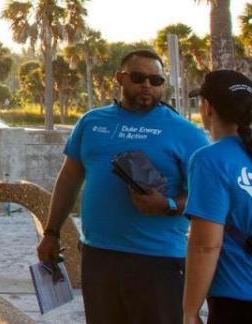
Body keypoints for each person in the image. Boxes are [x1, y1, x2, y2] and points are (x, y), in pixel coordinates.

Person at [36, 50, 209, 323]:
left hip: (158, 261)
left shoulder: (187, 133)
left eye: (156, 80)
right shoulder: (92, 122)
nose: (147, 86)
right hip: (99, 256)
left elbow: (207, 196)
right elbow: (69, 179)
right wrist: (51, 231)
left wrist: (169, 205)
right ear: (120, 78)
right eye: (139, 78)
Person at [182, 70, 252, 323]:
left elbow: (205, 245)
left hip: (238, 301)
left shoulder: (211, 160)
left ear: (207, 107)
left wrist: (190, 312)